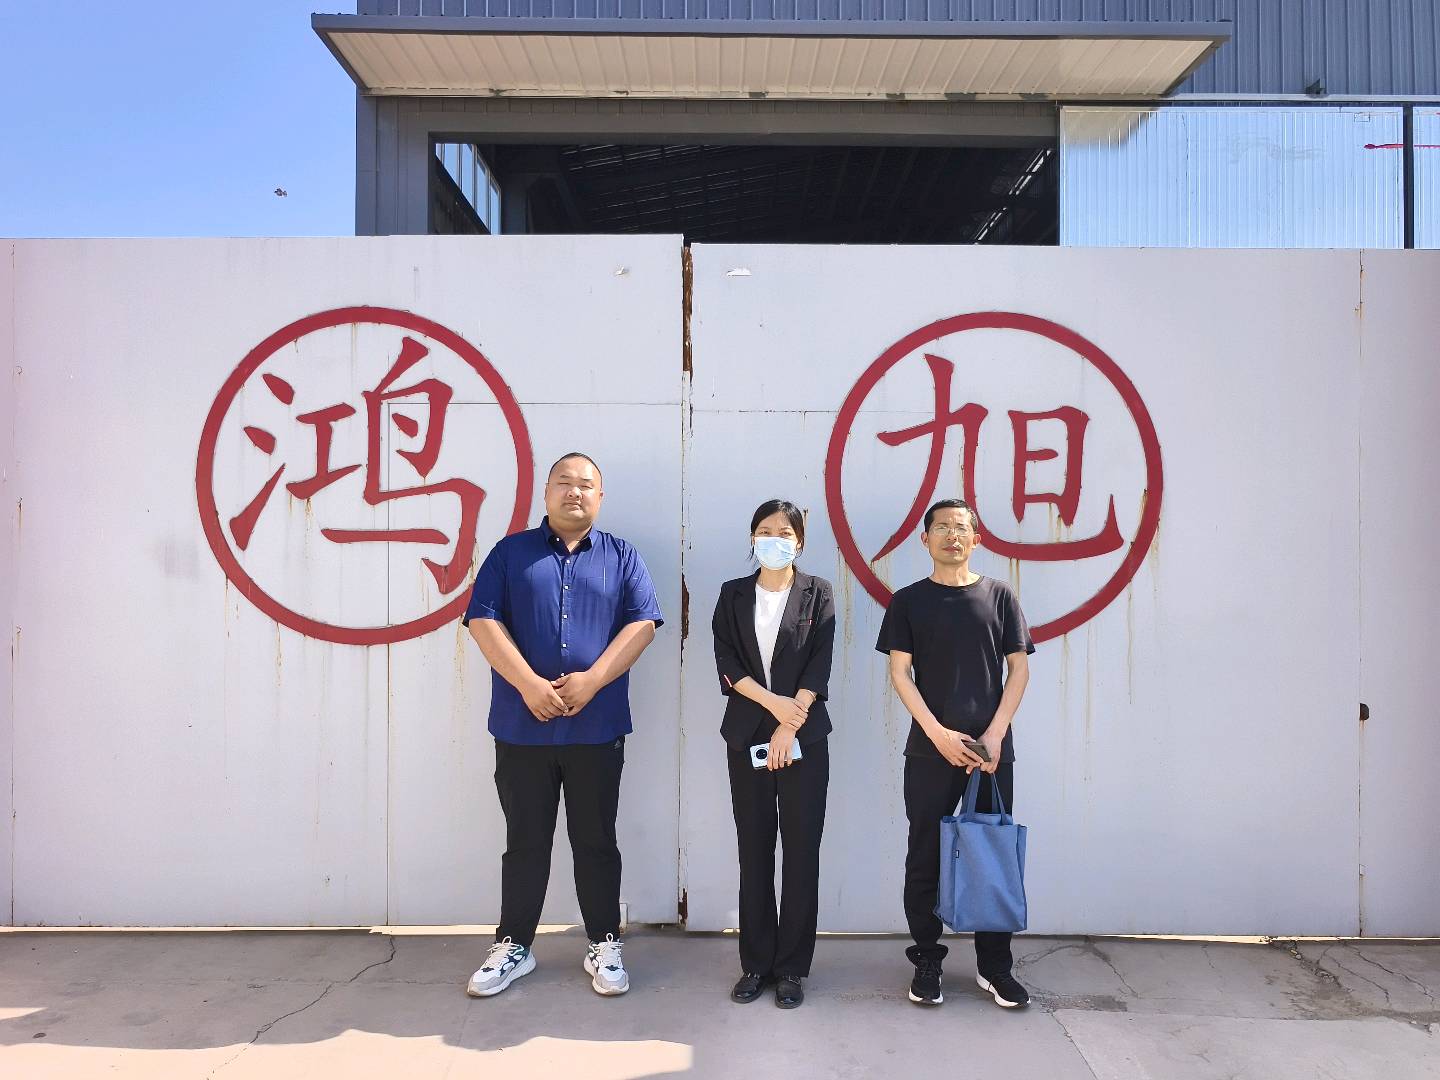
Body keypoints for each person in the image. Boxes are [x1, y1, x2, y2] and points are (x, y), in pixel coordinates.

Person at [461, 452, 664, 999]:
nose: (575, 492)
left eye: (586, 485)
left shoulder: (622, 556)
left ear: (600, 497)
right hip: (522, 727)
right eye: (564, 483)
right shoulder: (510, 553)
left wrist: (593, 680)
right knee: (524, 841)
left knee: (596, 840)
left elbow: (643, 624)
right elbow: (482, 620)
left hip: (596, 729)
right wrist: (529, 684)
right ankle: (514, 945)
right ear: (546, 492)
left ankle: (604, 942)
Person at [875, 498, 1035, 1010]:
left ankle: (995, 967)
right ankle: (927, 960)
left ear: (976, 538)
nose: (952, 535)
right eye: (941, 527)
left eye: (961, 527)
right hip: (930, 751)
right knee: (925, 855)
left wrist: (996, 734)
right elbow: (900, 673)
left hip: (990, 754)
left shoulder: (1000, 596)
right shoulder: (908, 601)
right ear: (924, 540)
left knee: (990, 854)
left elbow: (1019, 669)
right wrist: (938, 734)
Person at [711, 499, 837, 1009]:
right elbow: (726, 662)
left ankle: (791, 969)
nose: (774, 540)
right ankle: (756, 963)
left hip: (804, 735)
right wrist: (773, 706)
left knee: (802, 851)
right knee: (755, 848)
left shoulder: (818, 592)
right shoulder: (732, 594)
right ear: (752, 538)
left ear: (799, 542)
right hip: (747, 735)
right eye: (764, 531)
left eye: (784, 533)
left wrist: (791, 722)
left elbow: (819, 664)